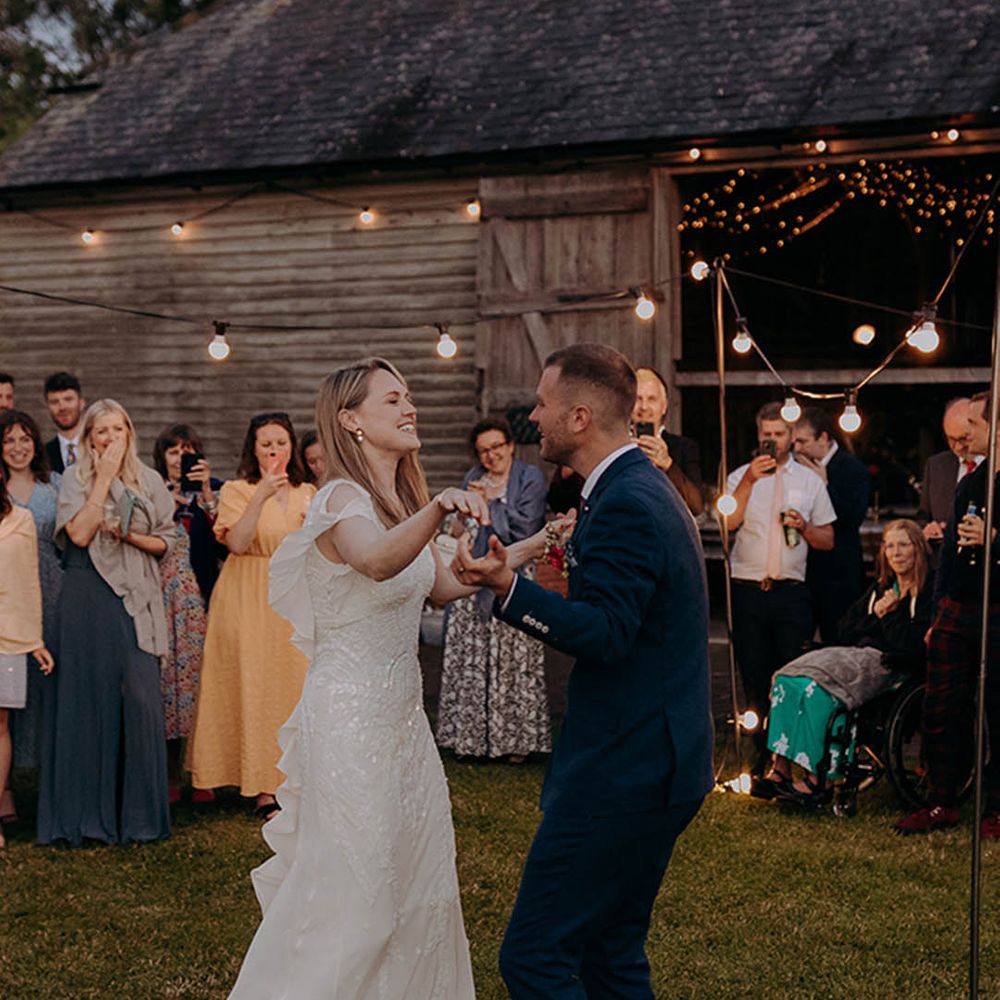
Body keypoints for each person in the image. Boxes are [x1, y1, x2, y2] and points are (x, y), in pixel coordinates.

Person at [229, 358, 518, 998]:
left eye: (408, 397)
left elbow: (444, 585)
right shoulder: (339, 500)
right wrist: (442, 506)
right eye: (393, 400)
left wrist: (535, 545)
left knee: (418, 886)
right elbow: (377, 562)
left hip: (403, 724)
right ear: (350, 420)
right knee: (358, 893)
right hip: (348, 721)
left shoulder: (402, 502)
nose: (409, 407)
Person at [453, 342, 714, 1000]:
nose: (531, 418)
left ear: (578, 417)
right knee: (610, 948)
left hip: (625, 770)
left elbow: (607, 632)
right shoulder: (630, 489)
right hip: (660, 760)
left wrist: (508, 588)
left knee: (534, 957)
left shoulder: (628, 501)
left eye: (542, 404)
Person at [38, 399, 176, 846]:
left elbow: (167, 542)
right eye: (102, 431)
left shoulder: (150, 480)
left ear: (129, 433)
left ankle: (138, 818)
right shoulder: (75, 481)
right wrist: (102, 480)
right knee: (87, 698)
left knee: (140, 698)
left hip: (137, 594)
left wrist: (132, 536)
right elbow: (78, 534)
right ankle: (85, 818)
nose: (111, 438)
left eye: (118, 430)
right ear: (89, 438)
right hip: (86, 592)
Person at [186, 412, 316, 819]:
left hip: (293, 593)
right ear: (253, 449)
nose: (274, 450)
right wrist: (260, 495)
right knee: (254, 685)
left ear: (291, 446)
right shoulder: (238, 491)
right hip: (247, 592)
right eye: (266, 444)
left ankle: (298, 779)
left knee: (293, 684)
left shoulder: (308, 491)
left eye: (281, 442)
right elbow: (237, 544)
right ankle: (263, 788)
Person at [756, 519, 932, 804]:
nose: (896, 553)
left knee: (820, 689)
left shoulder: (926, 592)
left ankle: (818, 778)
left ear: (918, 550)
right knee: (788, 678)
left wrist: (890, 616)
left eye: (904, 545)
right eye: (890, 546)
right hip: (856, 652)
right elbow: (846, 627)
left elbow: (909, 643)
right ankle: (781, 768)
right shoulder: (881, 587)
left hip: (892, 663)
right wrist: (876, 613)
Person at [896, 390, 1000, 837]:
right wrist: (937, 612)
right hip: (959, 606)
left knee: (998, 708)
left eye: (970, 428)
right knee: (942, 705)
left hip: (998, 606)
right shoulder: (969, 484)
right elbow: (951, 560)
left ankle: (996, 808)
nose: (962, 440)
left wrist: (993, 540)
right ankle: (943, 799)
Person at [726, 401, 836, 775]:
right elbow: (727, 521)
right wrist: (749, 482)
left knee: (788, 674)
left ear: (792, 436)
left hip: (791, 593)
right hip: (749, 589)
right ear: (759, 436)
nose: (772, 440)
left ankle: (787, 756)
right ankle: (760, 754)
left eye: (779, 434)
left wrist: (804, 526)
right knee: (754, 674)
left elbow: (828, 540)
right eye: (766, 434)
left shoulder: (809, 481)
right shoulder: (741, 475)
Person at [437, 418, 550, 762]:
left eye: (497, 447)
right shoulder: (473, 479)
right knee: (471, 657)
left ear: (510, 446)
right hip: (473, 576)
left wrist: (490, 506)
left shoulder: (529, 478)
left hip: (512, 575)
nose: (491, 456)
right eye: (484, 451)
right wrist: (464, 510)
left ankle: (515, 742)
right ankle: (470, 739)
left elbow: (526, 526)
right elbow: (459, 528)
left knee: (515, 659)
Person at [151, 424, 221, 804]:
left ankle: (204, 772)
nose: (181, 457)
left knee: (201, 686)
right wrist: (166, 503)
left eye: (189, 450)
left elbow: (225, 539)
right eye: (174, 450)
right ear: (162, 456)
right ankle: (168, 776)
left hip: (203, 597)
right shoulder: (152, 492)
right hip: (161, 599)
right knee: (166, 687)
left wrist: (207, 492)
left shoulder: (214, 490)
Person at [1, 410, 62, 812]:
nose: (18, 448)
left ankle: (45, 779)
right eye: (8, 440)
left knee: (43, 691)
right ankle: (4, 789)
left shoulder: (52, 488)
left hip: (49, 593)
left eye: (25, 439)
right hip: (7, 601)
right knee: (4, 700)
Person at [0, 463, 55, 849]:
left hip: (9, 635)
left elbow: (27, 581)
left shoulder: (21, 519)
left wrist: (35, 639)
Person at [793, 406, 871, 642]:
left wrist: (825, 485)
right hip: (804, 572)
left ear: (823, 438)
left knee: (838, 640)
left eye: (802, 441)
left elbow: (853, 518)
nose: (797, 448)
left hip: (840, 574)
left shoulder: (853, 469)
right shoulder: (796, 469)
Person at [631, 365, 704, 515]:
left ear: (664, 406)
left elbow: (696, 506)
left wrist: (668, 465)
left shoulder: (684, 447)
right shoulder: (613, 444)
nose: (644, 407)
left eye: (652, 399)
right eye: (637, 399)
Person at [916, 398, 981, 561]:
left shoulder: (994, 465)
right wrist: (927, 529)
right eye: (950, 440)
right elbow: (923, 516)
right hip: (942, 565)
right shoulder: (936, 465)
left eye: (963, 439)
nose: (957, 447)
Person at [43, 372, 86, 474]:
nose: (62, 407)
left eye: (68, 399)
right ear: (48, 407)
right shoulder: (42, 455)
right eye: (54, 402)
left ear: (81, 403)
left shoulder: (98, 446)